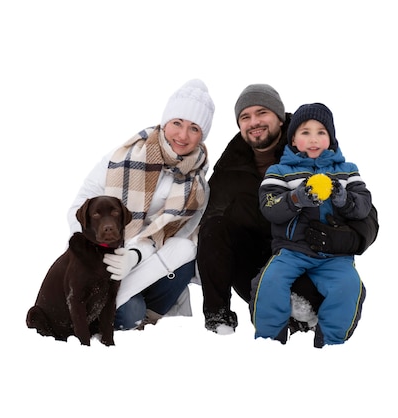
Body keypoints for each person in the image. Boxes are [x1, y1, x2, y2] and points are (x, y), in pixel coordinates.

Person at [197, 84, 379, 338]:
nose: (254, 122)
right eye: (245, 117)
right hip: (266, 260)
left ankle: (315, 329)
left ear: (280, 118)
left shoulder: (311, 144)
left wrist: (349, 238)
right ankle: (221, 318)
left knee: (336, 292)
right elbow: (206, 222)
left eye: (262, 113)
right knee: (213, 227)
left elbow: (366, 212)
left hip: (312, 254)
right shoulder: (230, 167)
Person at [67, 79, 215, 330]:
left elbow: (173, 238)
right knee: (130, 312)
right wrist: (92, 247)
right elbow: (79, 206)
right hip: (100, 252)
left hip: (148, 264)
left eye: (194, 128)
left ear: (202, 135)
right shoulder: (122, 156)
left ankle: (124, 306)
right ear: (165, 122)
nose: (182, 135)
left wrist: (133, 256)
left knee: (186, 250)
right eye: (177, 123)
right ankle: (103, 305)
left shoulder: (198, 187)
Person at [251, 103, 372, 347]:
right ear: (293, 140)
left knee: (348, 287)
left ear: (331, 138)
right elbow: (270, 207)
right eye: (305, 132)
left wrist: (343, 199)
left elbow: (364, 206)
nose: (313, 139)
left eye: (321, 132)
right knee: (270, 282)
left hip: (335, 256)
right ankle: (269, 342)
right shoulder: (280, 172)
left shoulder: (347, 171)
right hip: (291, 251)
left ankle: (330, 343)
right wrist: (297, 198)